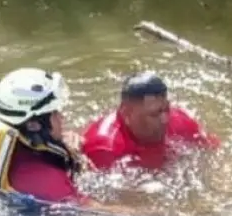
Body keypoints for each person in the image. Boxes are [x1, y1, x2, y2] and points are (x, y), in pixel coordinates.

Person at [0, 67, 89, 205]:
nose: (62, 117)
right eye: (55, 113)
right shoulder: (48, 178)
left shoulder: (16, 149)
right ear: (33, 125)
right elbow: (98, 211)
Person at [81, 71, 219, 171]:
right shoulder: (104, 148)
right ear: (126, 113)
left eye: (166, 109)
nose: (165, 119)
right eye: (154, 114)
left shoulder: (179, 119)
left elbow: (213, 150)